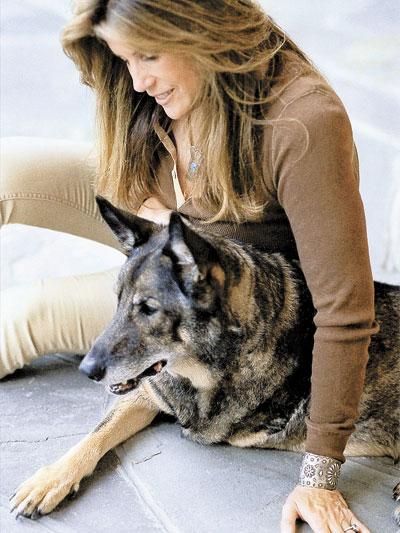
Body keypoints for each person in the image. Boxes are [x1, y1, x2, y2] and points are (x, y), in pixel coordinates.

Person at [0, 1, 378, 531]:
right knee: (4, 169)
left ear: (203, 31)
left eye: (148, 56)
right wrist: (156, 210)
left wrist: (319, 475)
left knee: (27, 313)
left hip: (199, 287)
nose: (136, 82)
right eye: (123, 58)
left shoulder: (303, 121)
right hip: (151, 224)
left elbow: (346, 311)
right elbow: (126, 156)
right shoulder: (150, 83)